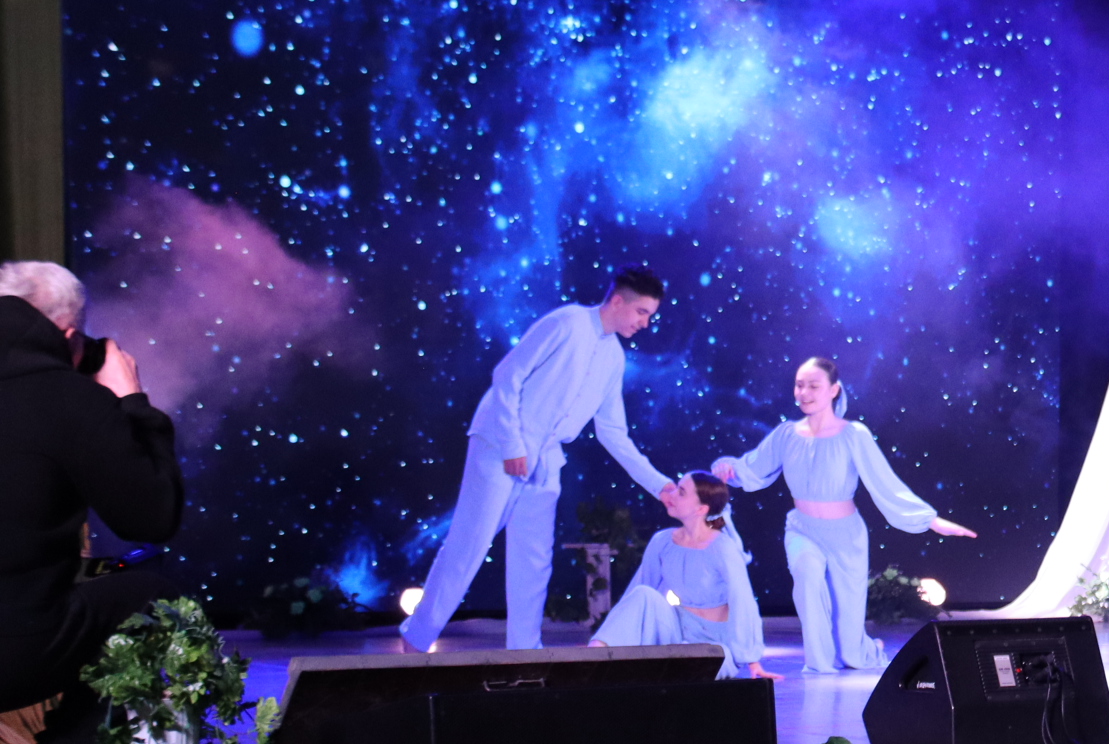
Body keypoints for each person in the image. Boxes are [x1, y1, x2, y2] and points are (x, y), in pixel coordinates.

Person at [0, 261, 182, 744]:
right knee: (158, 598)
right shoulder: (67, 398)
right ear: (70, 337)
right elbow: (152, 518)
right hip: (13, 654)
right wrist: (131, 403)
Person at [400, 268, 673, 652]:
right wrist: (513, 444)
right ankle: (417, 637)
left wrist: (659, 484)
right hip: (500, 442)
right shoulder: (567, 322)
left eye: (649, 315)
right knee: (469, 544)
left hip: (545, 458)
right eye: (642, 312)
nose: (645, 323)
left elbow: (613, 432)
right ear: (617, 301)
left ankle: (525, 651)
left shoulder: (613, 357)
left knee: (534, 560)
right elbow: (508, 374)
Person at [714, 356, 976, 673]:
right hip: (801, 529)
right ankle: (819, 663)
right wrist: (729, 468)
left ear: (834, 389)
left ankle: (863, 649)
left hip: (845, 534)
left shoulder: (853, 434)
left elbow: (884, 482)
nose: (804, 392)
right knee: (807, 576)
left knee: (849, 637)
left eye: (813, 386)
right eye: (799, 385)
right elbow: (753, 468)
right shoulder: (786, 434)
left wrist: (930, 521)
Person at [589, 472, 773, 681]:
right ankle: (593, 658)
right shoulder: (662, 541)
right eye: (676, 488)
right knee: (642, 594)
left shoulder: (722, 547)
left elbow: (743, 601)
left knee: (695, 663)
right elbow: (638, 594)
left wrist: (752, 660)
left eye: (682, 492)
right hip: (676, 629)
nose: (672, 495)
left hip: (715, 641)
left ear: (701, 509)